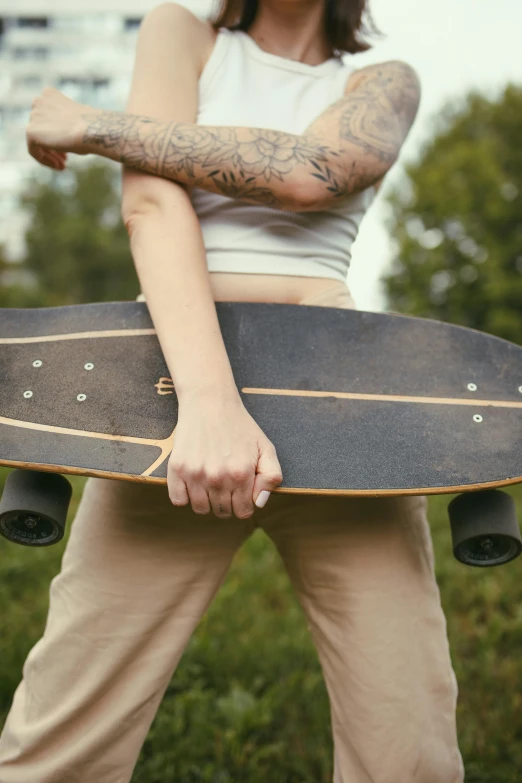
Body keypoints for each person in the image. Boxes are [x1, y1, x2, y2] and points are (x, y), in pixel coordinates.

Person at [0, 0, 465, 780]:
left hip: (346, 403)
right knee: (62, 737)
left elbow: (311, 174)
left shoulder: (381, 80)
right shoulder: (179, 34)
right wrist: (209, 405)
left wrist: (93, 125)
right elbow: (150, 204)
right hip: (165, 393)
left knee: (408, 742)